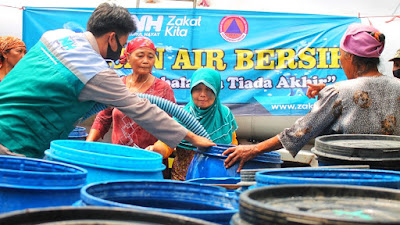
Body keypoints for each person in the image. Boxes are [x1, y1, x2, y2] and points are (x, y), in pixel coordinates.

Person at [0, 2, 214, 158]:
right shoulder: (97, 72)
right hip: (16, 143)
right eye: (122, 44)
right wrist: (193, 138)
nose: (120, 51)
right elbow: (142, 109)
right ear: (111, 38)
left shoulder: (54, 36)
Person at [223, 23, 400, 172]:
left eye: (341, 55)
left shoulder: (338, 92)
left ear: (351, 58)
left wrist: (254, 149)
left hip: (351, 179)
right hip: (394, 177)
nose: (341, 60)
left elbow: (300, 132)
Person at [86, 36, 176, 177]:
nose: (146, 61)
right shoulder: (117, 85)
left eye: (150, 57)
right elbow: (102, 119)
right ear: (128, 57)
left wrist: (158, 149)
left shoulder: (163, 89)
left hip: (149, 165)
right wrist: (87, 147)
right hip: (119, 162)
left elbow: (171, 129)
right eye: (140, 56)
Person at [147, 68, 238, 180]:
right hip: (184, 182)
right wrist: (155, 149)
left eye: (209, 89)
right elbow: (167, 143)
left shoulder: (225, 115)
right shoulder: (183, 115)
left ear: (217, 90)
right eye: (198, 89)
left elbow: (233, 144)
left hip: (216, 181)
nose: (203, 95)